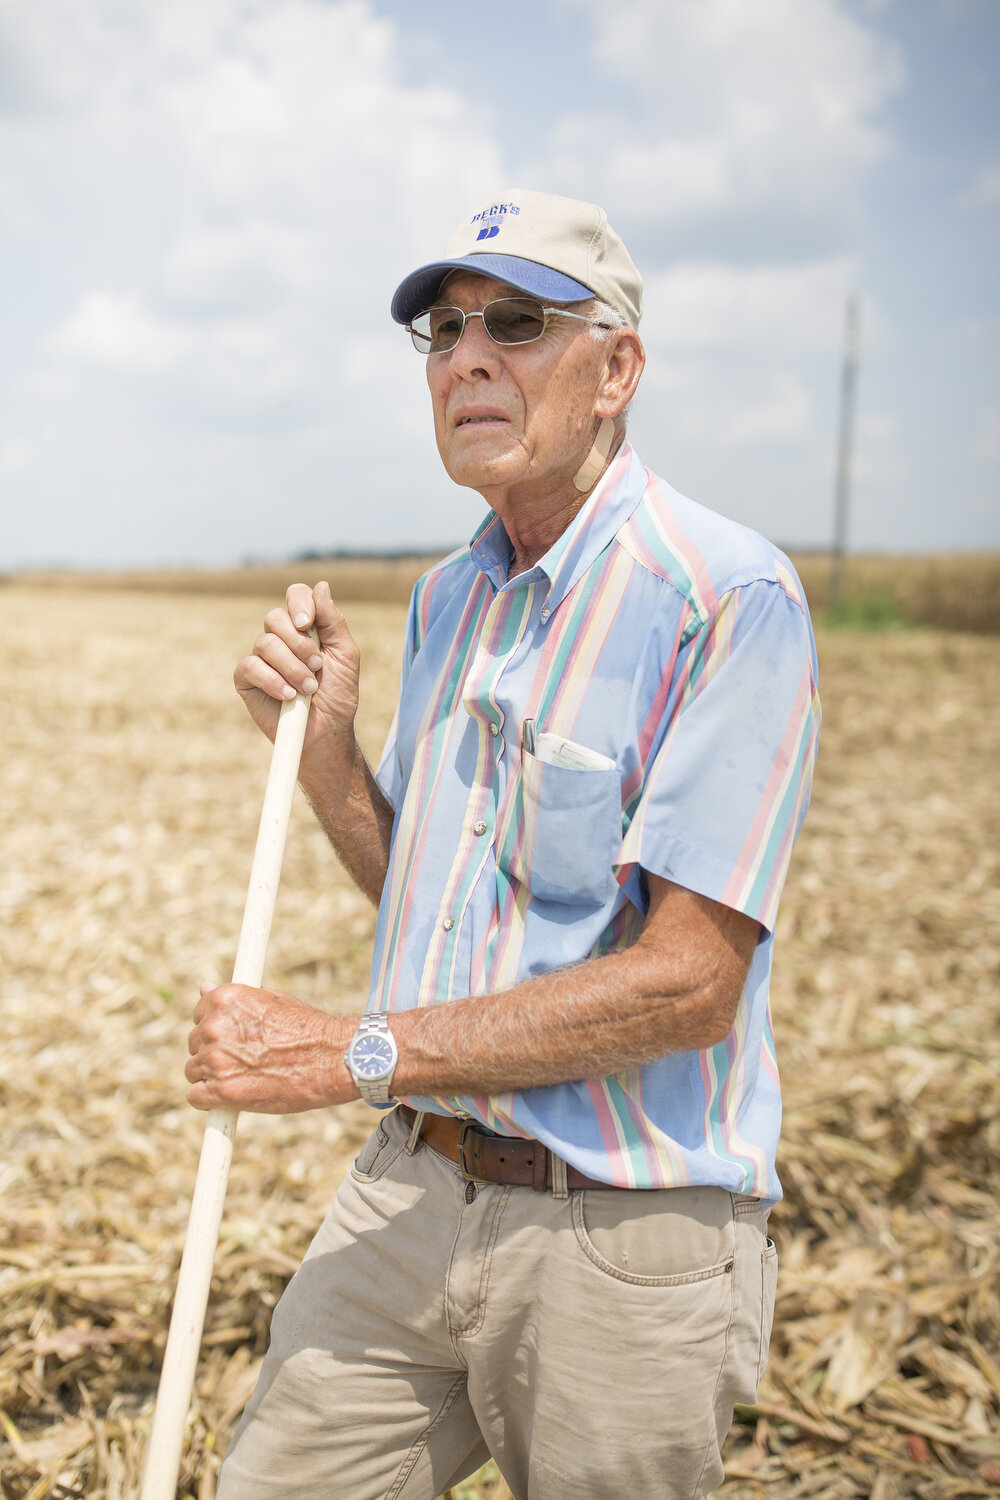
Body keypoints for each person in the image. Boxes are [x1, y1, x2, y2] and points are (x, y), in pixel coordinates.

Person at [187, 188, 821, 1500]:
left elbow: (691, 983)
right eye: (442, 331)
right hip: (412, 1188)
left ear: (617, 369)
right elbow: (424, 898)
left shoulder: (728, 598)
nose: (467, 356)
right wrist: (327, 759)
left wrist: (355, 1053)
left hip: (625, 1240)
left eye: (516, 324)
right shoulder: (447, 597)